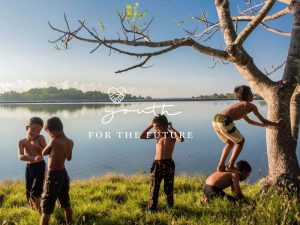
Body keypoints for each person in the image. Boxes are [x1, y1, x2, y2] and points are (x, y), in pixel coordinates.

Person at [212, 85, 283, 171]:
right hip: (225, 121)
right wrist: (277, 124)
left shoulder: (240, 106)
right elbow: (264, 120)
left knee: (230, 142)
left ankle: (220, 166)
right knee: (241, 142)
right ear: (249, 95)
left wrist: (263, 126)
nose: (253, 95)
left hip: (215, 119)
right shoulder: (250, 106)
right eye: (252, 93)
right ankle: (230, 166)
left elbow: (249, 121)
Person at [140, 114, 184, 212]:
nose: (156, 130)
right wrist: (151, 125)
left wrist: (171, 128)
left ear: (164, 125)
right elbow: (142, 136)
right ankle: (152, 208)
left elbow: (180, 139)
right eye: (155, 128)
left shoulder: (172, 135)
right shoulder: (157, 135)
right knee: (154, 187)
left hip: (168, 164)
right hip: (157, 164)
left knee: (168, 187)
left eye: (157, 128)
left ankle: (170, 206)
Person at [40, 117, 73, 225]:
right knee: (66, 203)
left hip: (53, 175)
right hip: (63, 173)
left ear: (51, 131)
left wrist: (50, 142)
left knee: (46, 208)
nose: (49, 135)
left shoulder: (54, 141)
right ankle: (69, 223)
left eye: (48, 133)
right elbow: (69, 158)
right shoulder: (70, 142)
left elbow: (43, 153)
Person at [18, 117, 47, 211]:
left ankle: (39, 209)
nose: (35, 133)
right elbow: (21, 156)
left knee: (36, 189)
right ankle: (32, 210)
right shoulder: (22, 142)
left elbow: (47, 152)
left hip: (40, 166)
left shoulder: (41, 138)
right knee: (28, 189)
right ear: (27, 128)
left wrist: (38, 147)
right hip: (29, 167)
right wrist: (32, 158)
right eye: (33, 130)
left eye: (38, 131)